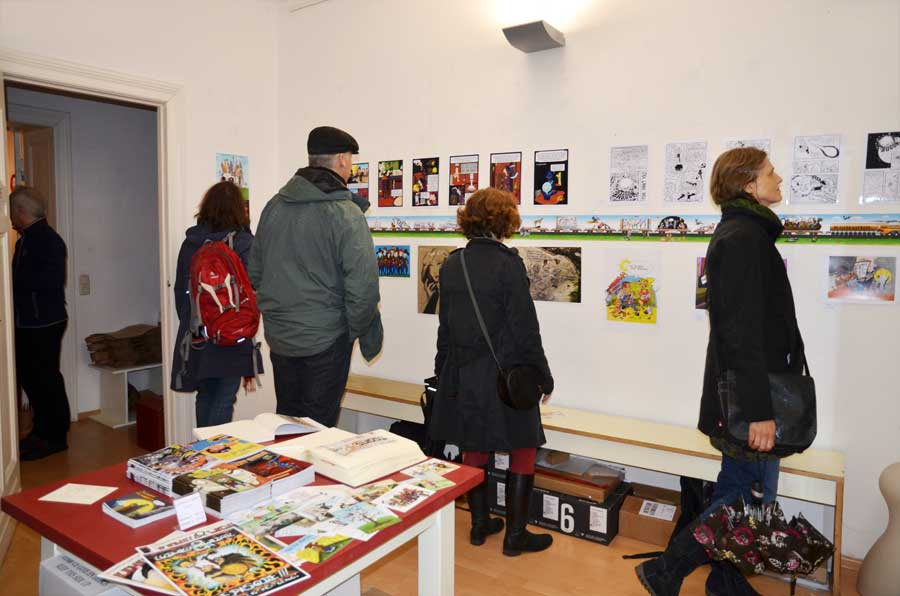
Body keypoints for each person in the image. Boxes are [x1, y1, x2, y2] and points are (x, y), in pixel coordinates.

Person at [636, 147, 805, 596]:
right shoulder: (743, 239)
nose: (779, 179)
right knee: (745, 498)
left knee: (743, 491)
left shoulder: (748, 235)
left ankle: (725, 581)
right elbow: (741, 334)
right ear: (748, 184)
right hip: (751, 398)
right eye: (771, 172)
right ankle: (666, 569)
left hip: (752, 391)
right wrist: (760, 412)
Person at [429, 188, 554, 556]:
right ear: (505, 221)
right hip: (506, 375)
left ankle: (479, 525)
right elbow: (525, 329)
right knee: (524, 447)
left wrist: (441, 373)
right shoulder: (508, 264)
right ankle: (515, 536)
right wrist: (543, 374)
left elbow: (445, 328)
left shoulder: (453, 264)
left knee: (474, 445)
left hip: (465, 375)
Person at [248, 126, 382, 427]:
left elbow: (254, 272)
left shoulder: (274, 206)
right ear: (342, 159)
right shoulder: (345, 213)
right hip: (326, 340)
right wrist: (350, 332)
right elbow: (363, 288)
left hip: (281, 337)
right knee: (318, 431)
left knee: (287, 425)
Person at [171, 181, 261, 428]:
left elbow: (181, 290)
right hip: (232, 334)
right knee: (224, 398)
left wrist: (192, 323)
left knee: (206, 395)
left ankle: (203, 448)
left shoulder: (191, 242)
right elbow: (255, 286)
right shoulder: (244, 242)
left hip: (199, 334)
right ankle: (215, 451)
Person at [10, 186, 71, 461]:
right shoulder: (25, 239)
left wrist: (15, 283)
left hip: (45, 322)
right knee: (31, 378)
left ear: (20, 211)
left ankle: (55, 437)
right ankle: (40, 430)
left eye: (12, 210)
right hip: (29, 322)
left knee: (46, 379)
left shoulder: (48, 240)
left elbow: (51, 281)